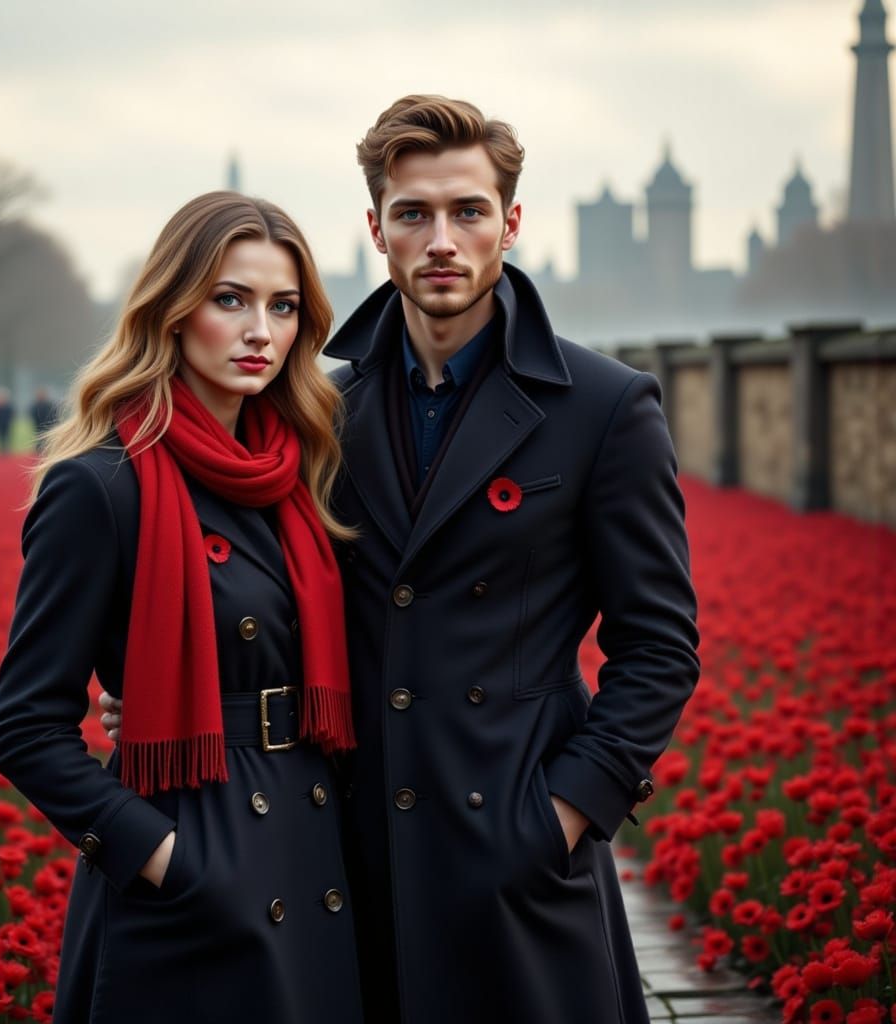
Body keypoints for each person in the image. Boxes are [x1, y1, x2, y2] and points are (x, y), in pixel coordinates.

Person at [102, 96, 701, 1023]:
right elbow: (258, 593)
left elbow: (659, 647)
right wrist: (163, 679)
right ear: (376, 228)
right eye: (413, 214)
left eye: (468, 211)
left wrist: (562, 818)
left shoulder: (604, 408)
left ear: (510, 221)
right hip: (351, 852)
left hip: (516, 848)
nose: (442, 240)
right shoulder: (319, 413)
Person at [0, 192, 364, 1024]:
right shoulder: (101, 484)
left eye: (284, 305)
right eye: (230, 299)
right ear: (172, 309)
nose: (259, 329)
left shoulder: (298, 474)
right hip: (193, 870)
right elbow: (24, 729)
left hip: (310, 850)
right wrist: (170, 863)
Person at [29, 386, 59, 453]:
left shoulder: (50, 405)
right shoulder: (34, 406)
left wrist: (52, 424)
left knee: (48, 441)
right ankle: (38, 451)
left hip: (48, 426)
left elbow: (54, 415)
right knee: (39, 440)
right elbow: (32, 415)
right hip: (38, 426)